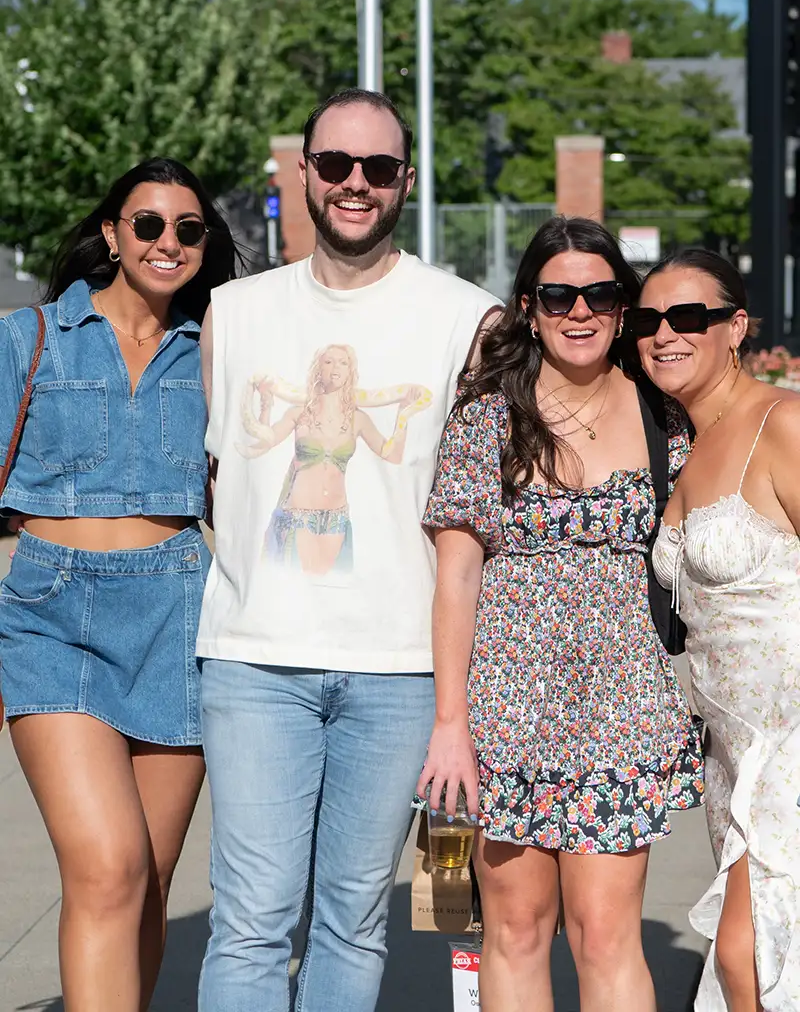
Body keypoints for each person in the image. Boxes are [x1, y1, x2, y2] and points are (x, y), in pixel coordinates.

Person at [196, 87, 499, 1012]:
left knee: (353, 921)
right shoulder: (232, 313)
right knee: (248, 923)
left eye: (376, 168)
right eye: (335, 165)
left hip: (400, 672)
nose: (354, 184)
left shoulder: (467, 319)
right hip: (255, 662)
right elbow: (207, 480)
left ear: (405, 180)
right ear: (305, 174)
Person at [417, 216, 704, 1012]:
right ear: (529, 306)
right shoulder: (485, 420)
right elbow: (456, 580)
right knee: (513, 928)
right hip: (505, 713)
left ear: (623, 307)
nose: (580, 311)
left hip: (623, 710)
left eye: (601, 293)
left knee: (608, 934)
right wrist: (451, 724)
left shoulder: (665, 420)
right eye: (558, 294)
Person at [0, 157, 238, 1012]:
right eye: (147, 224)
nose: (166, 242)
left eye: (187, 229)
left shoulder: (217, 351)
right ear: (112, 234)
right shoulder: (26, 340)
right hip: (48, 615)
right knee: (107, 867)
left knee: (147, 883)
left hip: (177, 611)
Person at [636, 249, 800, 1011]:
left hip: (790, 740)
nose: (665, 333)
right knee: (758, 963)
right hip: (728, 755)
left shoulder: (784, 421)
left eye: (688, 316)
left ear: (735, 326)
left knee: (747, 956)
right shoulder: (680, 443)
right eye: (647, 320)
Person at [237, 343, 431, 574]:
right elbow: (265, 440)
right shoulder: (299, 413)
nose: (335, 367)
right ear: (318, 369)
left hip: (335, 522)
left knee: (332, 595)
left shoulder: (358, 419)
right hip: (297, 519)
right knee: (292, 593)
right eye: (328, 362)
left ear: (351, 371)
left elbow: (393, 454)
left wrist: (404, 413)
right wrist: (266, 403)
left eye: (343, 362)